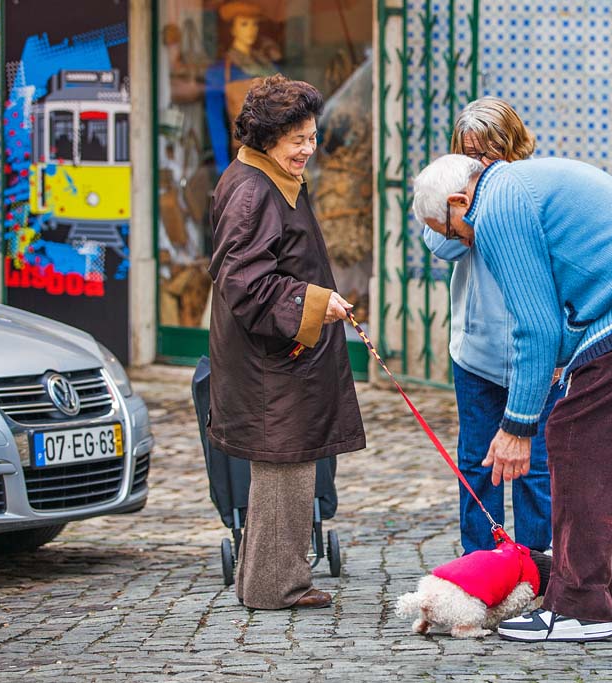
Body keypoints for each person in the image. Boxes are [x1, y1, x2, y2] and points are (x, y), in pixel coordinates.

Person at [412, 154, 612, 642]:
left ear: (460, 202)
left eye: (455, 231)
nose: (465, 242)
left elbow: (535, 327)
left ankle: (579, 605)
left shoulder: (494, 206)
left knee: (574, 433)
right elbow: (558, 323)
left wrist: (518, 425)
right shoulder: (525, 183)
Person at [208, 74, 366, 610]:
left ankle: (272, 581)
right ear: (266, 136)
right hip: (270, 362)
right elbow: (246, 284)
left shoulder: (268, 177)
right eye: (297, 139)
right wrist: (318, 304)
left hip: (278, 357)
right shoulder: (253, 190)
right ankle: (274, 587)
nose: (308, 149)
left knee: (291, 463)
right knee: (282, 464)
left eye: (312, 137)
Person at [422, 98, 563, 556]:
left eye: (490, 153)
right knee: (476, 463)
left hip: (538, 357)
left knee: (536, 464)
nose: (480, 162)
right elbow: (442, 247)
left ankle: (538, 565)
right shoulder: (454, 195)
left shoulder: (533, 190)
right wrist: (467, 212)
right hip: (477, 352)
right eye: (470, 152)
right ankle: (480, 561)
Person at [205, 1, 281, 173]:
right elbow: (215, 122)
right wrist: (223, 166)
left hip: (275, 152)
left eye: (254, 24)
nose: (251, 29)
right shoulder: (219, 72)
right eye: (244, 24)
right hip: (242, 155)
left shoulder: (268, 66)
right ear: (232, 29)